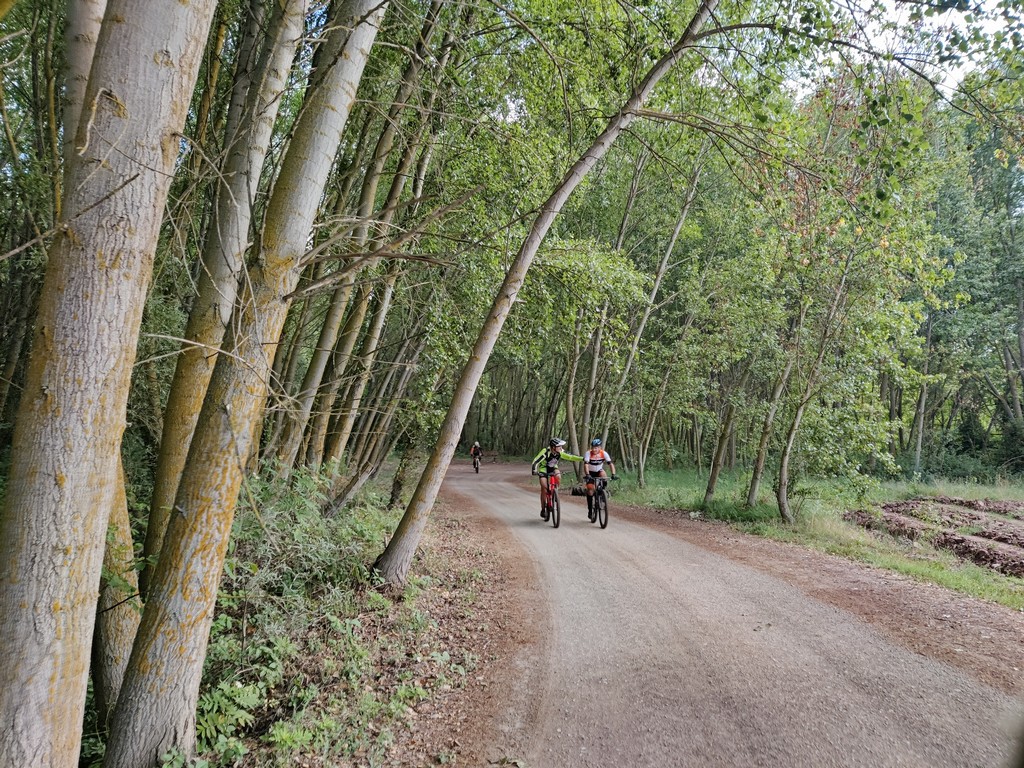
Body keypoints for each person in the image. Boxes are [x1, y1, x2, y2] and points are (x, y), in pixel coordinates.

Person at [530, 437, 583, 520]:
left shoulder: (560, 452)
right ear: (553, 447)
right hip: (544, 469)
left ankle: (555, 491)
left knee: (558, 476)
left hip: (553, 467)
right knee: (544, 487)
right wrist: (534, 471)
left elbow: (570, 457)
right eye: (559, 446)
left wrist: (582, 459)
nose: (561, 448)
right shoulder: (545, 452)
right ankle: (543, 509)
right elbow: (536, 461)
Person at [583, 437, 617, 521]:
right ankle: (590, 510)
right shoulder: (588, 453)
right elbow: (586, 465)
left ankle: (602, 493)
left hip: (599, 471)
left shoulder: (604, 453)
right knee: (590, 491)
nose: (594, 449)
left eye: (596, 448)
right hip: (590, 473)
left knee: (604, 475)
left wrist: (613, 474)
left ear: (600, 448)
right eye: (593, 447)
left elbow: (610, 464)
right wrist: (587, 474)